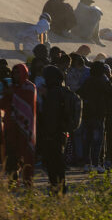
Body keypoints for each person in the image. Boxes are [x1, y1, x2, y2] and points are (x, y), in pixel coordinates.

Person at [1, 64, 37, 186]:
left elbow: (28, 102)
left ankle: (27, 182)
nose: (16, 75)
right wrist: (6, 94)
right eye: (14, 73)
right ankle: (12, 180)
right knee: (11, 154)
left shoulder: (30, 87)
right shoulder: (10, 87)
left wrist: (13, 94)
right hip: (11, 126)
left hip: (25, 127)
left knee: (26, 155)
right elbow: (2, 104)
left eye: (18, 72)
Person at [77, 61, 112, 173]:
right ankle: (96, 163)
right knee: (97, 141)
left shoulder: (88, 81)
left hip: (87, 114)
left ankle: (86, 164)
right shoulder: (103, 81)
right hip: (98, 114)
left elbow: (80, 93)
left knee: (87, 140)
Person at [38, 65, 68, 195]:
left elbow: (51, 115)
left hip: (53, 134)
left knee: (53, 163)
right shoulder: (60, 91)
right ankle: (59, 187)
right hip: (59, 133)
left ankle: (57, 188)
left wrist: (47, 134)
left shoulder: (53, 93)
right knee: (57, 162)